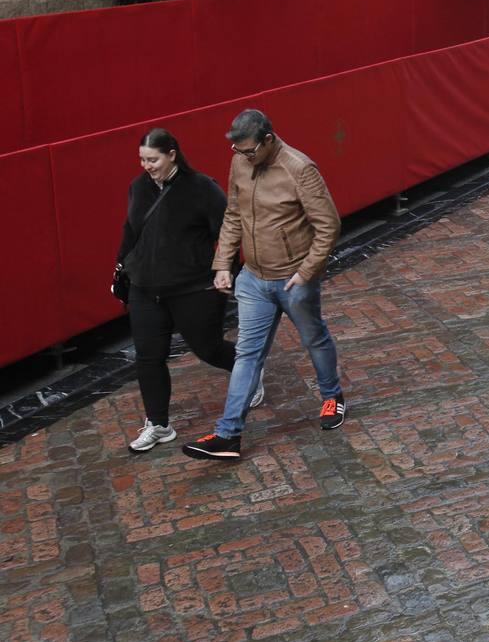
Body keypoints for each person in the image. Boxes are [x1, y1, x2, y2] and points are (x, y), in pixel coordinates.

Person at [183, 109, 344, 461]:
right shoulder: (241, 162)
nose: (243, 158)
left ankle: (332, 395)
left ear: (269, 139)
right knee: (247, 354)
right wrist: (223, 263)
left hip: (293, 280)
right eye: (238, 152)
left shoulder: (300, 169)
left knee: (314, 338)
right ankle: (228, 435)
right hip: (254, 279)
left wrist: (306, 272)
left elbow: (328, 226)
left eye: (250, 151)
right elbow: (233, 215)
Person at [115, 129, 264, 452]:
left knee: (207, 348)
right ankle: (158, 424)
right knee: (148, 358)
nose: (146, 166)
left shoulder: (201, 189)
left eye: (152, 159)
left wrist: (227, 270)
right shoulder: (138, 187)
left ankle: (250, 370)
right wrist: (121, 266)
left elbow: (228, 229)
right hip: (145, 288)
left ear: (172, 154)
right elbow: (131, 230)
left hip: (193, 288)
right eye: (142, 159)